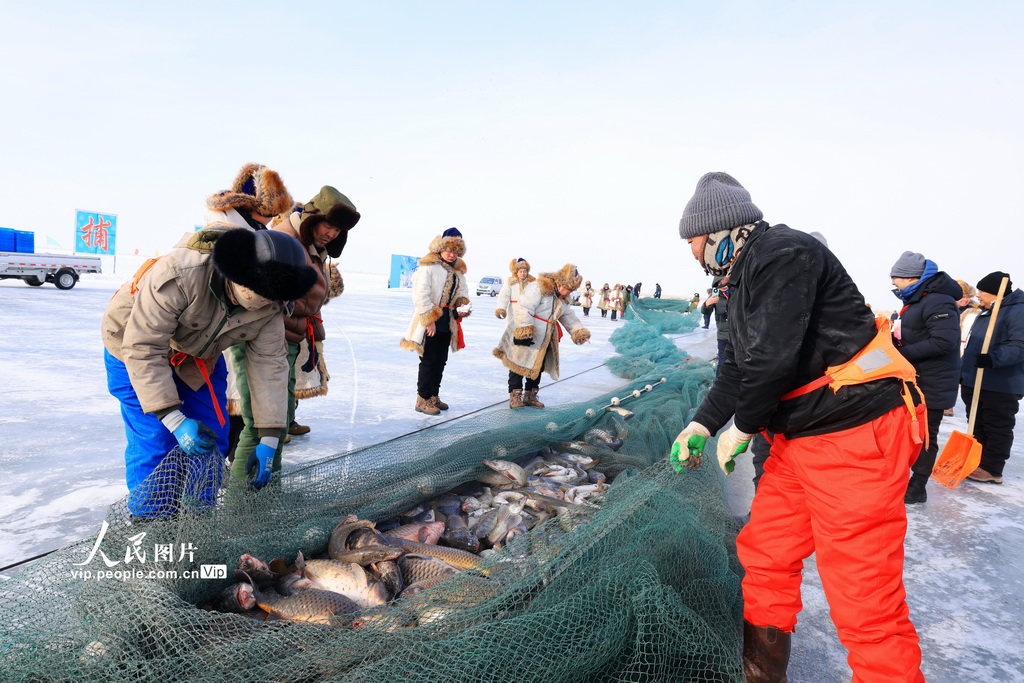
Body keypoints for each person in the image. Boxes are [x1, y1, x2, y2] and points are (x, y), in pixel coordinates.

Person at [670, 172, 925, 682]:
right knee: (765, 552)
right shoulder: (733, 283)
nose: (692, 253)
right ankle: (762, 673)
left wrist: (742, 427)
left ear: (720, 230)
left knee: (863, 597)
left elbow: (771, 359)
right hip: (798, 441)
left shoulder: (785, 252)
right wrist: (700, 424)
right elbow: (736, 372)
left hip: (856, 433)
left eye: (693, 241)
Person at [102, 226, 317, 518]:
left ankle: (198, 516)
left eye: (273, 298)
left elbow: (270, 368)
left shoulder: (269, 306)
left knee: (211, 434)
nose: (266, 304)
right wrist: (174, 419)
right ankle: (151, 522)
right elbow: (143, 348)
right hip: (133, 348)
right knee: (156, 439)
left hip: (198, 356)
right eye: (261, 294)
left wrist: (269, 436)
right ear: (238, 275)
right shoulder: (179, 275)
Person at [269, 185, 360, 446]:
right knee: (273, 388)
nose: (332, 234)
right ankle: (274, 428)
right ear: (314, 219)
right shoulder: (284, 239)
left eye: (338, 231)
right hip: (275, 331)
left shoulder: (313, 246)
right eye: (328, 226)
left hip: (295, 327)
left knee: (289, 382)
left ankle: (285, 422)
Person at [888, 251, 962, 504]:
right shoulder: (917, 300)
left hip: (933, 381)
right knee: (907, 433)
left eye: (896, 277)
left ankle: (918, 486)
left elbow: (944, 341)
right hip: (916, 379)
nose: (893, 283)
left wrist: (901, 354)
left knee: (927, 435)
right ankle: (900, 478)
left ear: (911, 277)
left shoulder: (938, 301)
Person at [493, 264, 591, 407]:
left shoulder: (563, 298)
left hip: (544, 337)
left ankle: (530, 396)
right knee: (518, 363)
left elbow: (568, 316)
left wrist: (578, 332)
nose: (568, 293)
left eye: (571, 290)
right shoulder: (539, 287)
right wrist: (525, 330)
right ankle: (515, 395)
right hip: (526, 329)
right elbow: (523, 307)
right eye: (567, 289)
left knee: (537, 365)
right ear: (559, 283)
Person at [961, 271, 1024, 484]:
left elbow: (1020, 346)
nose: (978, 295)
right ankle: (977, 461)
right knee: (977, 423)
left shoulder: (1017, 311)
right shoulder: (988, 311)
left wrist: (993, 359)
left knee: (996, 426)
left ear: (995, 292)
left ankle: (992, 468)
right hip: (977, 380)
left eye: (982, 291)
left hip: (1001, 383)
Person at [400, 228, 471, 415]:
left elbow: (462, 292)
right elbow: (420, 295)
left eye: (456, 251)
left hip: (447, 321)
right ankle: (422, 399)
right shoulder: (428, 267)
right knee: (429, 361)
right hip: (430, 320)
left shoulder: (458, 270)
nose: (451, 254)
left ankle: (433, 396)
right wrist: (429, 320)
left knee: (441, 361)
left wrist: (463, 305)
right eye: (448, 250)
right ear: (441, 248)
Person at [701, 277, 730, 371]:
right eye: (720, 284)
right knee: (723, 361)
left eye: (726, 283)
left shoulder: (737, 293)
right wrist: (707, 304)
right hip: (723, 335)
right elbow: (705, 312)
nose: (723, 286)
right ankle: (719, 383)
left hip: (739, 334)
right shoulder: (715, 295)